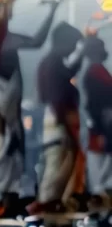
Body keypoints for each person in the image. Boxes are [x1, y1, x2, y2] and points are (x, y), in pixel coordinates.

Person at [0, 0, 59, 206]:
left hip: (11, 115)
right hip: (1, 114)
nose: (12, 9)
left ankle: (4, 208)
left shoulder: (4, 37)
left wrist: (52, 11)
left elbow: (36, 42)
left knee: (12, 163)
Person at [35, 22, 84, 211]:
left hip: (58, 126)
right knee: (55, 181)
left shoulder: (52, 62)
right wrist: (70, 135)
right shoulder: (52, 64)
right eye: (73, 44)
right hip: (59, 128)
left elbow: (70, 71)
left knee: (60, 178)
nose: (72, 49)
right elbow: (57, 100)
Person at [81, 32, 112, 204]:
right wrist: (100, 128)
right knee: (100, 167)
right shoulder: (96, 72)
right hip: (103, 126)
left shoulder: (96, 71)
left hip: (103, 126)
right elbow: (94, 103)